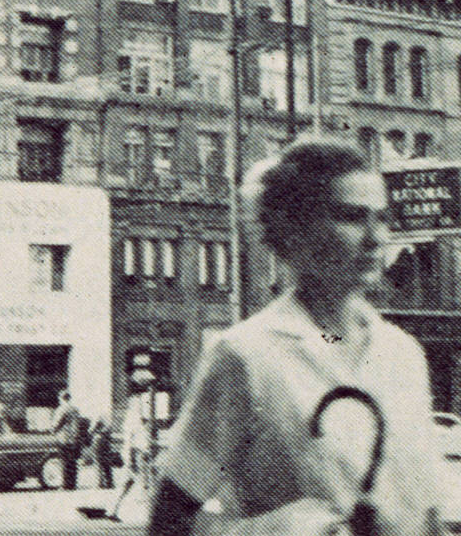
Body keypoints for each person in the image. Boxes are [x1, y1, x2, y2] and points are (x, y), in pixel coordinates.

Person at [148, 137, 442, 536]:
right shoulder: (247, 357)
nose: (376, 238)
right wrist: (267, 531)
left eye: (383, 217)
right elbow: (168, 523)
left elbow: (426, 518)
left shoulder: (402, 354)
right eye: (352, 217)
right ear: (296, 228)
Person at [52, 389, 91, 491]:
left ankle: (65, 485)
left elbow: (57, 424)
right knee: (72, 462)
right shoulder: (75, 409)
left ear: (61, 398)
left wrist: (52, 430)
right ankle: (73, 483)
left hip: (64, 439)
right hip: (75, 439)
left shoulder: (61, 409)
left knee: (64, 462)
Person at [93, 418, 119, 489]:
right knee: (106, 468)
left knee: (102, 467)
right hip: (103, 451)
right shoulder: (104, 433)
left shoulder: (98, 434)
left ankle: (103, 483)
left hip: (101, 451)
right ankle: (107, 483)